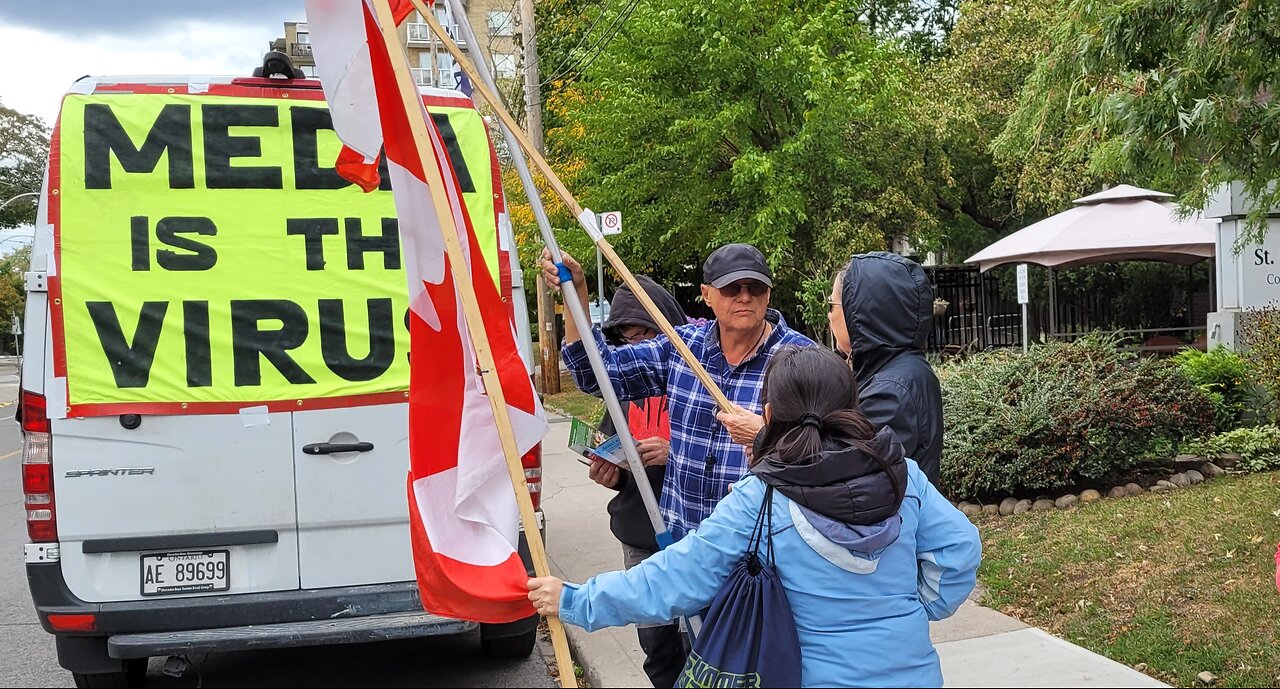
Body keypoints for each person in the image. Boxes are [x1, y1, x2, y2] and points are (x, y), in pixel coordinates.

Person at [527, 346, 981, 687]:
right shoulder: (902, 476)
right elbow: (960, 548)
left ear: (766, 414)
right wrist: (917, 608)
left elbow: (673, 580)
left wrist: (575, 600)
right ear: (852, 407)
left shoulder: (761, 498)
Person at [540, 243, 815, 542]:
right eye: (731, 288)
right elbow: (596, 374)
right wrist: (576, 291)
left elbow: (829, 452)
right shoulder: (682, 347)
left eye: (756, 287)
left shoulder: (802, 359)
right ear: (707, 294)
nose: (745, 296)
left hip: (759, 549)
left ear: (769, 293)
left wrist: (766, 434)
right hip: (684, 545)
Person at [593, 275, 691, 688]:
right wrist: (608, 473)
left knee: (701, 643)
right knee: (657, 646)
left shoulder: (695, 382)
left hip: (693, 534)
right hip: (640, 537)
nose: (637, 347)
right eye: (628, 339)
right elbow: (606, 446)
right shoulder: (624, 390)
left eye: (645, 334)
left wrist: (674, 452)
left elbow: (733, 452)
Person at [830, 252, 944, 486]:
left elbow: (846, 471)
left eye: (832, 306)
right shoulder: (894, 369)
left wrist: (766, 435)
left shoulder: (891, 390)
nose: (829, 316)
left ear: (858, 312)